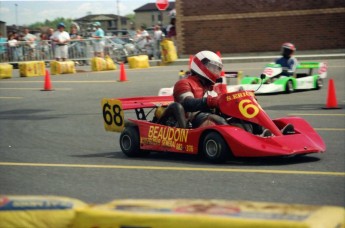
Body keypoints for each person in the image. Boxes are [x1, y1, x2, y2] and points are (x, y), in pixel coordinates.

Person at [173, 50, 227, 128]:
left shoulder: (212, 87)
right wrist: (210, 101)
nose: (215, 71)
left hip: (209, 116)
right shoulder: (184, 83)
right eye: (213, 67)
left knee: (239, 121)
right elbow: (187, 103)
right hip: (190, 122)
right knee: (216, 121)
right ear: (201, 65)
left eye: (217, 69)